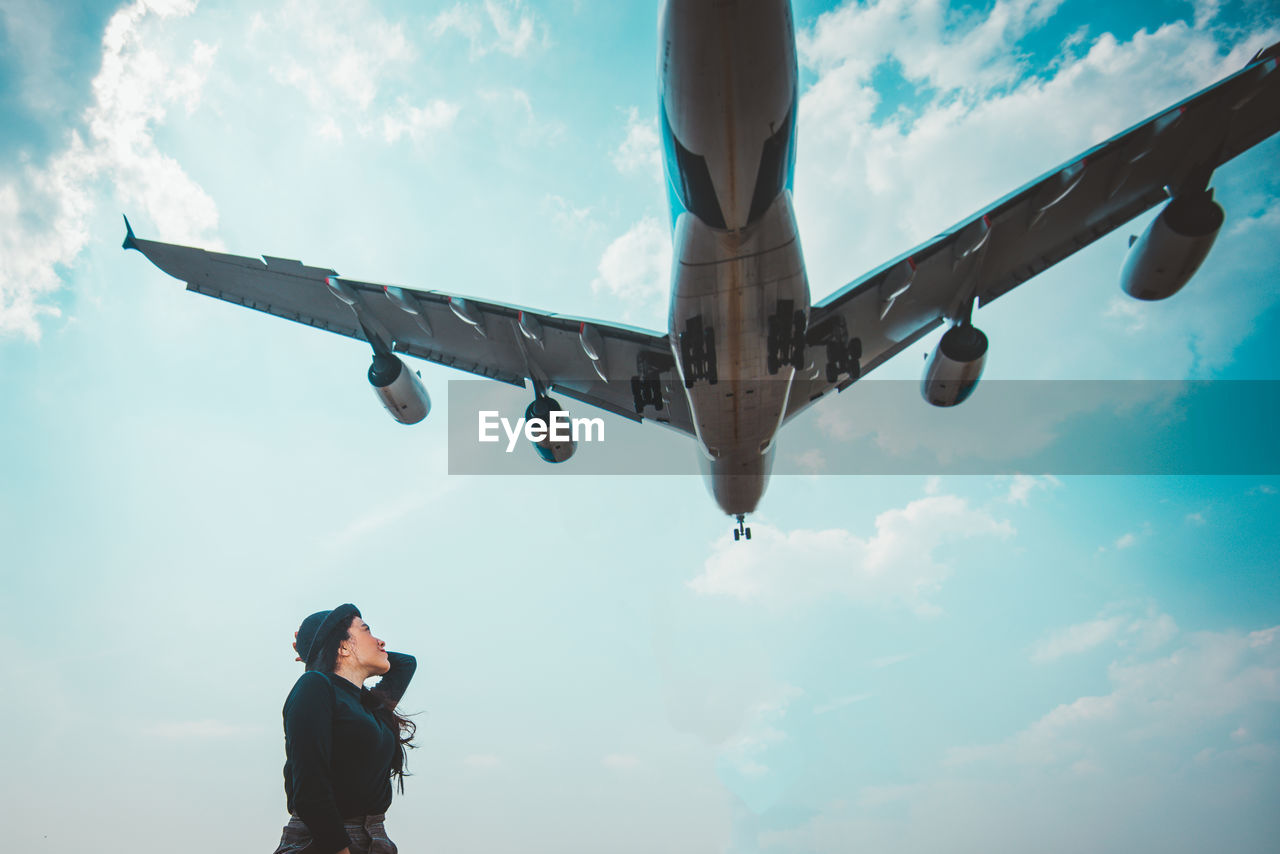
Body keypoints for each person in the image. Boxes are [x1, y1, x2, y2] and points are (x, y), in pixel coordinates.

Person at [271, 604, 416, 854]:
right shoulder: (315, 687)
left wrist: (317, 648)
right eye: (367, 631)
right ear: (343, 646)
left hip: (375, 837)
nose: (380, 641)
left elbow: (406, 664)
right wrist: (339, 848)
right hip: (324, 840)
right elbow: (310, 786)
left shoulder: (371, 705)